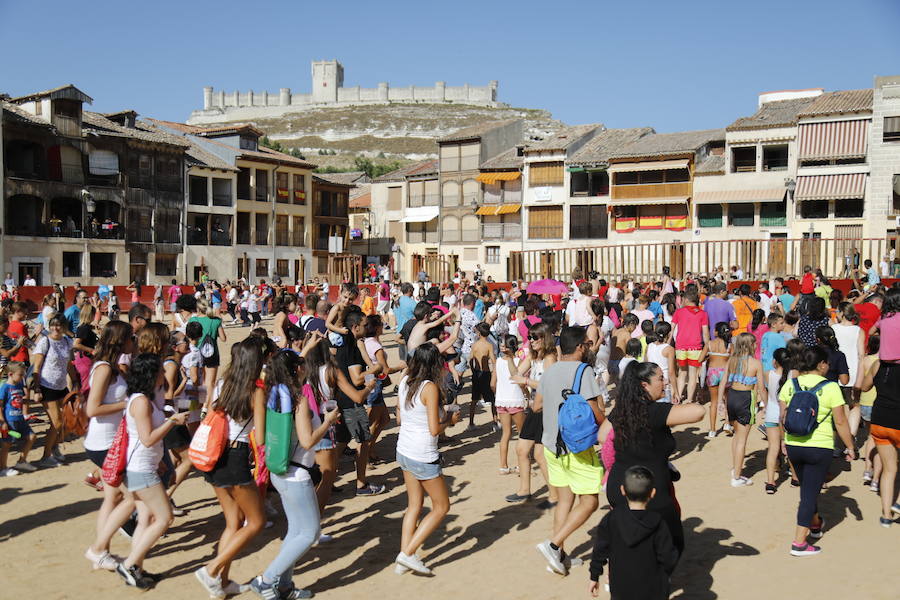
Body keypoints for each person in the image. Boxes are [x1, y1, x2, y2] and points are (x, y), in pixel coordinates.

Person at [250, 350, 340, 599]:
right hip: (296, 475)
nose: (305, 365)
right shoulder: (298, 401)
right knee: (309, 533)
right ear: (296, 370)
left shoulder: (277, 396)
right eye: (301, 363)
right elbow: (308, 440)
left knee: (296, 531)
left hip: (282, 470)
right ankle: (267, 579)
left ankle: (285, 586)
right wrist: (328, 421)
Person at [606, 362, 705, 557]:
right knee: (669, 545)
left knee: (631, 540)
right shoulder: (656, 412)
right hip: (649, 490)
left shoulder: (621, 411)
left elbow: (602, 436)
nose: (666, 382)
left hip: (619, 484)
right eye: (660, 378)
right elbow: (698, 412)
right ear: (645, 385)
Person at [195, 338, 267, 597]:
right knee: (256, 521)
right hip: (236, 457)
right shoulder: (256, 390)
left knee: (233, 522)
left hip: (216, 456)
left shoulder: (223, 384)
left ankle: (221, 584)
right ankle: (212, 569)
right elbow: (259, 437)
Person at [535, 326, 604, 576]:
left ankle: (559, 556)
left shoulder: (549, 371)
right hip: (575, 447)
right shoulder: (583, 371)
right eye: (586, 344)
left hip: (551, 444)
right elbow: (594, 411)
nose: (588, 347)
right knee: (590, 501)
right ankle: (553, 545)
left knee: (565, 501)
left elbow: (536, 405)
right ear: (579, 347)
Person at [116, 353, 189, 589]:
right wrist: (172, 422)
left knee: (146, 517)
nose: (163, 374)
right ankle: (128, 565)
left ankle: (136, 568)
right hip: (141, 469)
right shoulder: (141, 402)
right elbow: (147, 439)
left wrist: (160, 460)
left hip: (145, 465)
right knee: (164, 517)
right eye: (159, 371)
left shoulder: (144, 399)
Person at [779, 346, 856, 554]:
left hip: (794, 444)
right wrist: (850, 446)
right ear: (821, 364)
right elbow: (840, 422)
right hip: (819, 447)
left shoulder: (791, 384)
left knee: (807, 489)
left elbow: (782, 416)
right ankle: (799, 543)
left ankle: (815, 523)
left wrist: (783, 442)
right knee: (809, 496)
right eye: (827, 363)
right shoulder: (831, 388)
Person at [394, 343, 460, 575]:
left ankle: (404, 556)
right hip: (423, 453)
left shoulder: (404, 382)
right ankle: (407, 553)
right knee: (441, 506)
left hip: (404, 449)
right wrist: (450, 420)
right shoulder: (429, 387)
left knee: (414, 505)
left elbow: (399, 415)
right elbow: (434, 429)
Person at [84, 321, 135, 568]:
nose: (133, 342)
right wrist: (127, 404)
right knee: (134, 496)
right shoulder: (104, 369)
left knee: (113, 496)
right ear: (120, 341)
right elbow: (92, 408)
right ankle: (98, 548)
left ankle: (101, 551)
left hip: (108, 440)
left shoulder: (111, 367)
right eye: (130, 338)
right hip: (104, 442)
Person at [588, 465, 678, 600]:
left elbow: (600, 550)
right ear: (653, 493)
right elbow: (668, 556)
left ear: (622, 490)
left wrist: (594, 575)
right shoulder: (657, 522)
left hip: (621, 585)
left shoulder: (611, 519)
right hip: (653, 586)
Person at [507, 323, 558, 505]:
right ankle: (524, 490)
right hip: (535, 409)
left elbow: (550, 385)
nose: (532, 340)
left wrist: (527, 380)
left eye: (536, 337)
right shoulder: (533, 356)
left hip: (546, 409)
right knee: (522, 450)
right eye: (530, 337)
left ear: (545, 338)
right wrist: (510, 359)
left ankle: (554, 495)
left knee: (539, 455)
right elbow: (515, 375)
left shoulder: (550, 358)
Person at [718, 332, 765, 487]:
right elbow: (761, 389)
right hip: (746, 398)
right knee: (742, 440)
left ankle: (735, 469)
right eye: (754, 343)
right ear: (749, 345)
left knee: (736, 436)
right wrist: (767, 406)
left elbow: (723, 381)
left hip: (732, 396)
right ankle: (737, 477)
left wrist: (720, 402)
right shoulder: (755, 363)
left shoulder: (732, 360)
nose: (756, 346)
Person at [30, 315, 74, 467]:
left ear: (64, 327)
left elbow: (69, 365)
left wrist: (75, 382)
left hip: (61, 386)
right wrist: (36, 388)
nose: (56, 328)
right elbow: (36, 368)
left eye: (59, 325)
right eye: (53, 325)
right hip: (46, 385)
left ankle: (54, 448)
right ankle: (45, 456)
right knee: (57, 422)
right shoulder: (45, 341)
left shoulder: (68, 341)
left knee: (68, 421)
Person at [494, 335, 527, 474]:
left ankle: (503, 465)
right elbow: (520, 381)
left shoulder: (497, 361)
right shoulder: (519, 361)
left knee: (506, 434)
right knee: (522, 434)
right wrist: (526, 394)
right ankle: (521, 464)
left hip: (501, 400)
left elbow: (492, 382)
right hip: (515, 398)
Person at [672, 289, 709, 403]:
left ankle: (677, 397)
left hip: (680, 346)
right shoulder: (702, 313)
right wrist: (707, 346)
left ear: (686, 299)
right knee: (693, 375)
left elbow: (672, 328)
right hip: (696, 346)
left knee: (682, 373)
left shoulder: (679, 312)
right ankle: (689, 399)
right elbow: (705, 332)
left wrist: (669, 341)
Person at [0, 363, 36, 476]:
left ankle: (21, 461)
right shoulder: (5, 388)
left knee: (32, 437)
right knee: (7, 444)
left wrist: (31, 401)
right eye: (20, 375)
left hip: (20, 419)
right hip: (9, 421)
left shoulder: (19, 385)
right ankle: (3, 469)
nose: (22, 377)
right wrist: (3, 422)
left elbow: (19, 400)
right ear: (10, 374)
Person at [189, 298, 226, 409]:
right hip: (212, 352)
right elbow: (223, 338)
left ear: (198, 308)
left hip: (197, 352)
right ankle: (207, 406)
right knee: (210, 382)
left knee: (199, 380)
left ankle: (200, 404)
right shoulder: (216, 321)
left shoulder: (193, 320)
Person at [763, 348, 790, 494]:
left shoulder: (768, 374)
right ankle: (795, 477)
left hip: (771, 414)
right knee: (789, 446)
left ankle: (770, 481)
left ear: (775, 361)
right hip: (786, 415)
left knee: (773, 448)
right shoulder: (792, 376)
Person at [395, 283, 417, 361]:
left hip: (399, 330)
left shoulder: (397, 301)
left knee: (402, 359)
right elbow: (418, 315)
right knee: (410, 359)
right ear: (409, 290)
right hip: (409, 331)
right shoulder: (412, 302)